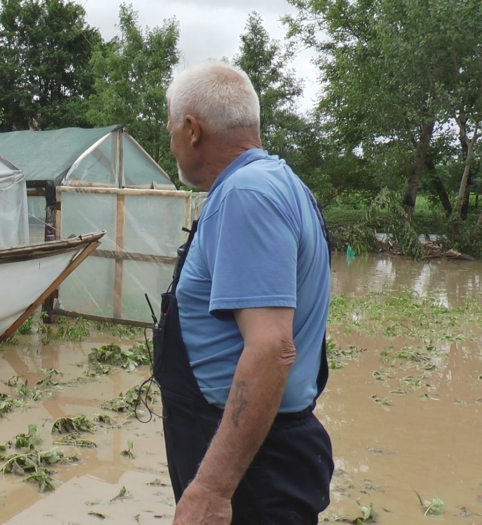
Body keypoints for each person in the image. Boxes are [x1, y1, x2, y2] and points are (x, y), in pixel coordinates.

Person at [153, 60, 333, 525]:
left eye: (171, 131)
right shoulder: (280, 183)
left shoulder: (245, 195)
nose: (171, 143)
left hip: (255, 473)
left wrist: (212, 490)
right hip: (263, 457)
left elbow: (272, 347)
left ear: (192, 130)